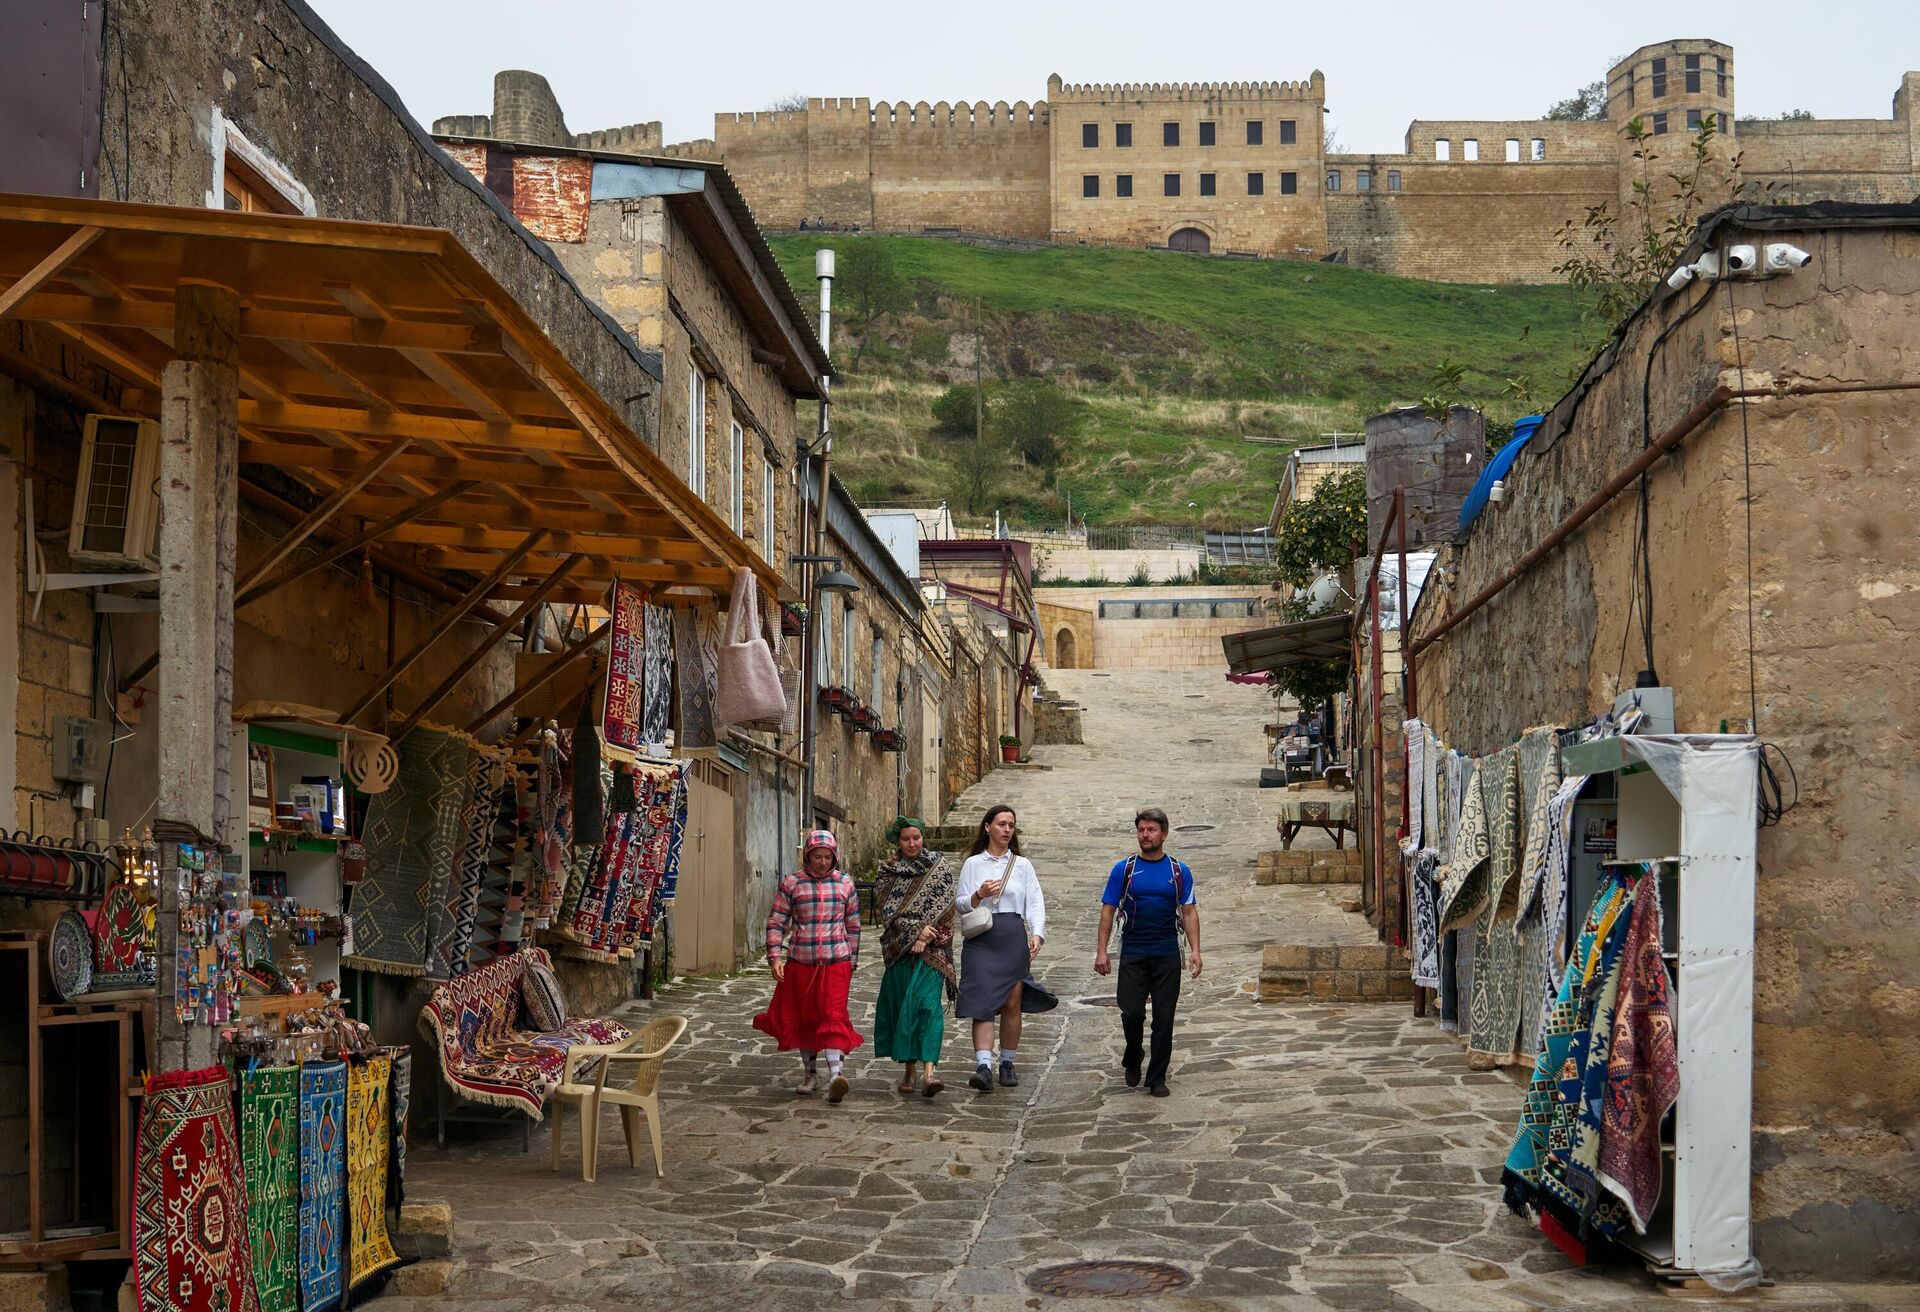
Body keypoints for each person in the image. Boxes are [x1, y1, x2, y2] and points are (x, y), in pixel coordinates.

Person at [1094, 807, 1203, 1097]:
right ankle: (1133, 1055)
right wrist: (1101, 951)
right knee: (1130, 1013)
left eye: (1151, 830)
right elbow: (1108, 910)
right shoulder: (1124, 869)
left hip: (1166, 952)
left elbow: (1189, 912)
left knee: (1164, 1018)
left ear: (1164, 834)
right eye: (1141, 830)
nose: (1145, 835)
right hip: (1133, 952)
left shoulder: (1178, 871)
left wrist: (1195, 951)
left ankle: (1157, 1078)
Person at [753, 830, 863, 1103]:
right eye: (817, 857)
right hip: (801, 963)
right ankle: (810, 1074)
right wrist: (774, 957)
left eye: (828, 857)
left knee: (833, 1015)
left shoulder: (845, 884)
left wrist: (852, 959)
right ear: (807, 856)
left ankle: (836, 1076)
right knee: (806, 1018)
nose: (823, 862)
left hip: (835, 962)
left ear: (835, 857)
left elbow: (853, 926)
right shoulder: (792, 884)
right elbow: (777, 921)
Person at [954, 805, 1057, 1092]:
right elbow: (960, 904)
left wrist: (1037, 933)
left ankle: (1008, 1062)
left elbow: (1035, 902)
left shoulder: (1022, 866)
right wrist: (979, 894)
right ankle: (984, 1066)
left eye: (1011, 824)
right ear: (987, 827)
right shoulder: (973, 864)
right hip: (981, 939)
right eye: (1001, 824)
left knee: (1012, 1003)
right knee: (983, 1003)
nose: (1007, 829)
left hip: (1012, 937)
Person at [871, 817, 956, 1097]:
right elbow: (889, 914)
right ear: (898, 841)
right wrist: (914, 935)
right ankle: (909, 1068)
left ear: (923, 838)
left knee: (928, 1007)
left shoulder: (939, 867)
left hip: (933, 952)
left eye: (916, 838)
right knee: (903, 1007)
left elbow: (947, 906)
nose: (912, 844)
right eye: (906, 839)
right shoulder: (887, 873)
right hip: (899, 951)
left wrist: (926, 936)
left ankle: (930, 1072)